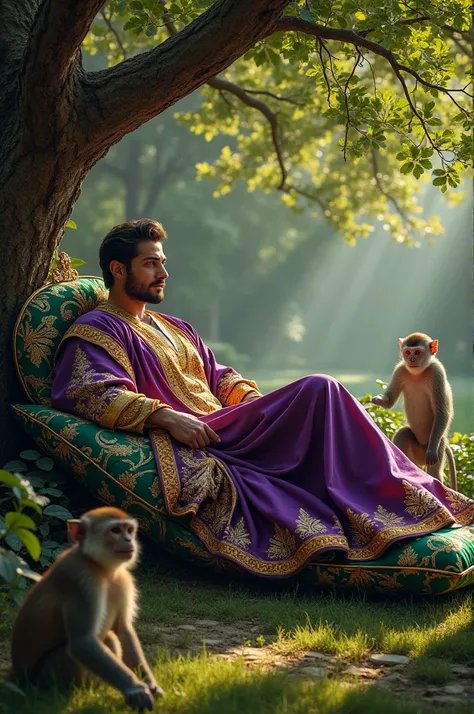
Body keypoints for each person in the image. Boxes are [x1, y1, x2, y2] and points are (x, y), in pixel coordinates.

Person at [51, 219, 474, 578]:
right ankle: (410, 495)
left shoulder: (174, 326)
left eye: (163, 262)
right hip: (203, 438)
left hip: (233, 422)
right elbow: (92, 393)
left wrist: (257, 405)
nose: (163, 272)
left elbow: (219, 376)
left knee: (318, 396)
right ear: (118, 270)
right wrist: (169, 419)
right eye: (150, 263)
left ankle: (408, 499)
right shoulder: (97, 329)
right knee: (320, 387)